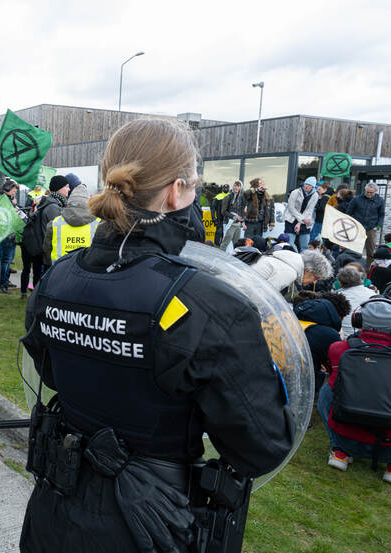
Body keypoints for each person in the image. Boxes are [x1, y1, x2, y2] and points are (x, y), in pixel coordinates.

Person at [19, 118, 294, 553]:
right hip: (149, 522)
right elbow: (260, 445)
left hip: (55, 512)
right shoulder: (209, 304)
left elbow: (51, 371)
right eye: (195, 186)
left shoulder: (56, 279)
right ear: (174, 191)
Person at [320, 298, 391, 482]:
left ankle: (339, 452)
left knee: (328, 391)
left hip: (347, 438)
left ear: (357, 320)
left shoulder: (339, 349)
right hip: (387, 445)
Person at [293, 292, 351, 393]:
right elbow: (338, 368)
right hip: (303, 386)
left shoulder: (293, 318)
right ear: (337, 315)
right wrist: (339, 341)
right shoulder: (328, 335)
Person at [42, 183, 99, 264]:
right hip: (86, 271)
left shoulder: (55, 223)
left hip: (60, 270)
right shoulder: (98, 223)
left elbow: (47, 249)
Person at [347, 182, 385, 266]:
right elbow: (349, 212)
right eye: (367, 192)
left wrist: (378, 226)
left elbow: (381, 214)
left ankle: (368, 269)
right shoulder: (357, 199)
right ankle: (354, 266)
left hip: (371, 228)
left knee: (370, 250)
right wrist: (350, 224)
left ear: (375, 191)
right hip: (357, 227)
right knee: (355, 249)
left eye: (371, 192)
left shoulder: (380, 200)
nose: (368, 194)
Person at [0, 180, 19, 293]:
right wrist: (12, 207)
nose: (15, 192)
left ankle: (5, 281)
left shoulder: (7, 199)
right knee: (4, 261)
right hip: (3, 235)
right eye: (14, 189)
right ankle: (1, 283)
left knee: (7, 261)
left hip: (10, 235)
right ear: (8, 188)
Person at [337, 267, 376, 337]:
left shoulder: (336, 296)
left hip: (342, 337)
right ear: (360, 280)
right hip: (367, 338)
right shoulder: (373, 294)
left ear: (340, 283)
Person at [285, 177, 319, 252]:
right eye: (305, 184)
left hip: (304, 220)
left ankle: (304, 260)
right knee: (290, 243)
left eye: (309, 185)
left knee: (305, 245)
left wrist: (300, 222)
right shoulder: (295, 192)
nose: (306, 186)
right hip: (291, 218)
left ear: (312, 187)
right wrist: (301, 219)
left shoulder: (315, 195)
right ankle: (296, 256)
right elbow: (291, 208)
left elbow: (309, 210)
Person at [218, 180, 246, 251]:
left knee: (237, 245)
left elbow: (242, 212)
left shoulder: (242, 198)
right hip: (229, 224)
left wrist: (243, 223)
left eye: (238, 186)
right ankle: (220, 258)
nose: (236, 187)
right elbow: (223, 212)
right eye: (235, 185)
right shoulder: (227, 197)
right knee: (225, 243)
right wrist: (234, 217)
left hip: (238, 225)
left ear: (240, 188)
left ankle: (235, 259)